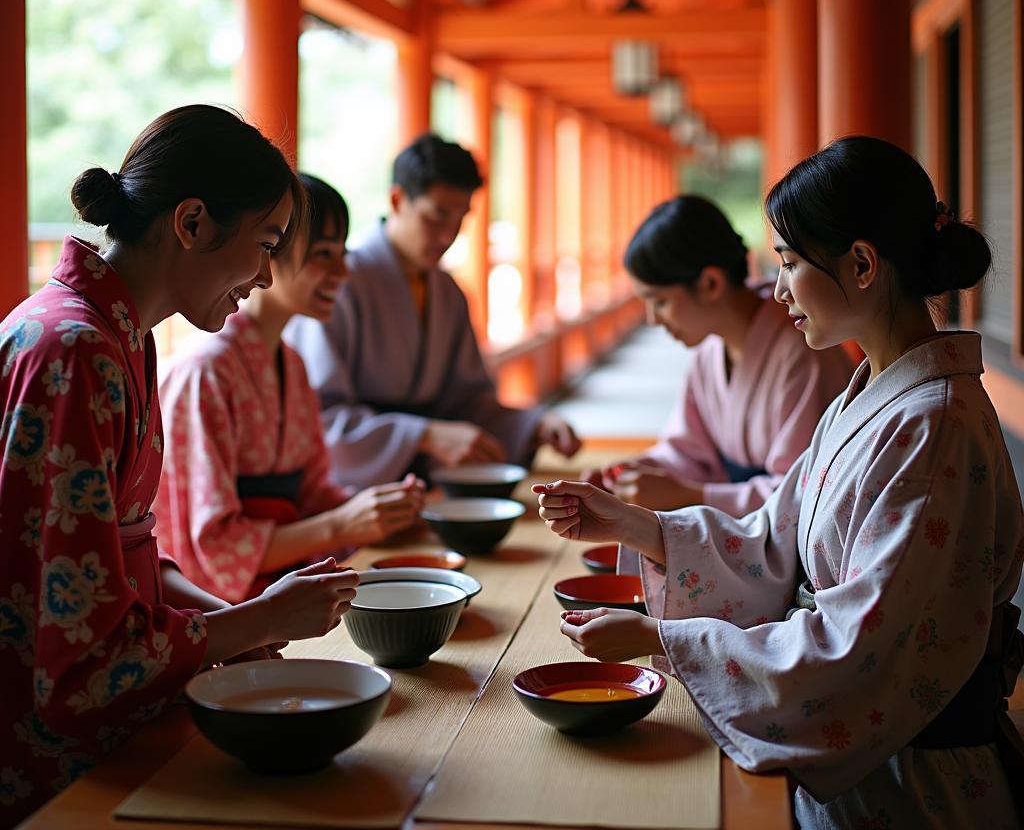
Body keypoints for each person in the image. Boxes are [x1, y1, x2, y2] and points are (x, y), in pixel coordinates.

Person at [534, 137, 1024, 828]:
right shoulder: (872, 395)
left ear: (860, 264)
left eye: (790, 264)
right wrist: (633, 523)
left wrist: (663, 638)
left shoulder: (932, 426)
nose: (779, 289)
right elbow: (773, 540)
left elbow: (857, 646)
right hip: (867, 764)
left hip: (914, 783)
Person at [0, 106, 358, 826]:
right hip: (46, 755)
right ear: (191, 223)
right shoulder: (75, 351)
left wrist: (238, 623)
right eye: (264, 244)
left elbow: (133, 553)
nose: (264, 275)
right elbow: (76, 661)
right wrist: (253, 617)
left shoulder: (122, 338)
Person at [156, 175, 424, 603]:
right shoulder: (205, 371)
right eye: (323, 255)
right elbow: (215, 546)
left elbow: (314, 492)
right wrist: (343, 525)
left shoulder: (292, 364)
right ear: (266, 255)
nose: (343, 271)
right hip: (225, 610)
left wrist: (380, 510)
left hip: (287, 591)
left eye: (342, 254)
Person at [286, 132, 581, 488]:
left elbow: (467, 402)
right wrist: (423, 435)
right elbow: (321, 417)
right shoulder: (338, 282)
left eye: (460, 220)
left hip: (427, 482)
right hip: (360, 488)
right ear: (398, 200)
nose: (448, 236)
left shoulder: (448, 291)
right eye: (437, 216)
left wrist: (534, 424)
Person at [582, 195, 852, 517]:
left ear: (711, 283)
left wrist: (692, 495)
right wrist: (635, 472)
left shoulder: (803, 350)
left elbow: (800, 493)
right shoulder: (709, 352)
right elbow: (689, 450)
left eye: (660, 301)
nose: (653, 319)